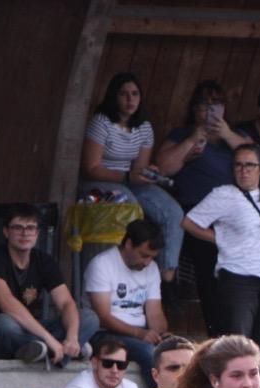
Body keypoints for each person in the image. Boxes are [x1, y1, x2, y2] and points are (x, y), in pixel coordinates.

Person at [156, 80, 254, 332]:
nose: (209, 110)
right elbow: (163, 168)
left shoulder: (235, 137)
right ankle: (219, 332)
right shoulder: (182, 135)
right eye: (204, 105)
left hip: (235, 213)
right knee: (211, 263)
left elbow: (256, 158)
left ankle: (244, 330)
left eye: (216, 104)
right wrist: (192, 139)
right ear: (194, 108)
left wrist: (227, 134)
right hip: (198, 213)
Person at [182, 143, 260, 358]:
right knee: (238, 349)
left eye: (249, 165)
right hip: (238, 276)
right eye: (238, 165)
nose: (243, 170)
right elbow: (189, 223)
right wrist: (222, 239)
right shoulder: (224, 194)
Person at [79, 71, 185, 282]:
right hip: (101, 182)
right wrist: (127, 177)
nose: (130, 100)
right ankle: (127, 270)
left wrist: (149, 173)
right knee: (131, 207)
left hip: (130, 181)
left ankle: (166, 274)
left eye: (135, 94)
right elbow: (91, 168)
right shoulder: (101, 122)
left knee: (173, 212)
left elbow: (140, 167)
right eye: (124, 94)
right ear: (114, 97)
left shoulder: (144, 126)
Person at [0, 203, 99, 367]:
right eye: (17, 228)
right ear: (6, 232)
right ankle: (56, 351)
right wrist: (49, 339)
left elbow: (66, 303)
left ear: (37, 233)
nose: (25, 233)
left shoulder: (44, 261)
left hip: (27, 333)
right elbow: (8, 304)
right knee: (4, 322)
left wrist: (72, 337)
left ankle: (48, 351)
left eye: (30, 228)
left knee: (88, 317)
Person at [83, 218, 168, 388]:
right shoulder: (102, 264)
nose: (147, 262)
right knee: (149, 353)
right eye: (144, 255)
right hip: (104, 333)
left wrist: (161, 335)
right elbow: (103, 317)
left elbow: (155, 313)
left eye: (152, 257)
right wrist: (139, 334)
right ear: (128, 244)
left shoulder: (151, 268)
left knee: (179, 350)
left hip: (140, 333)